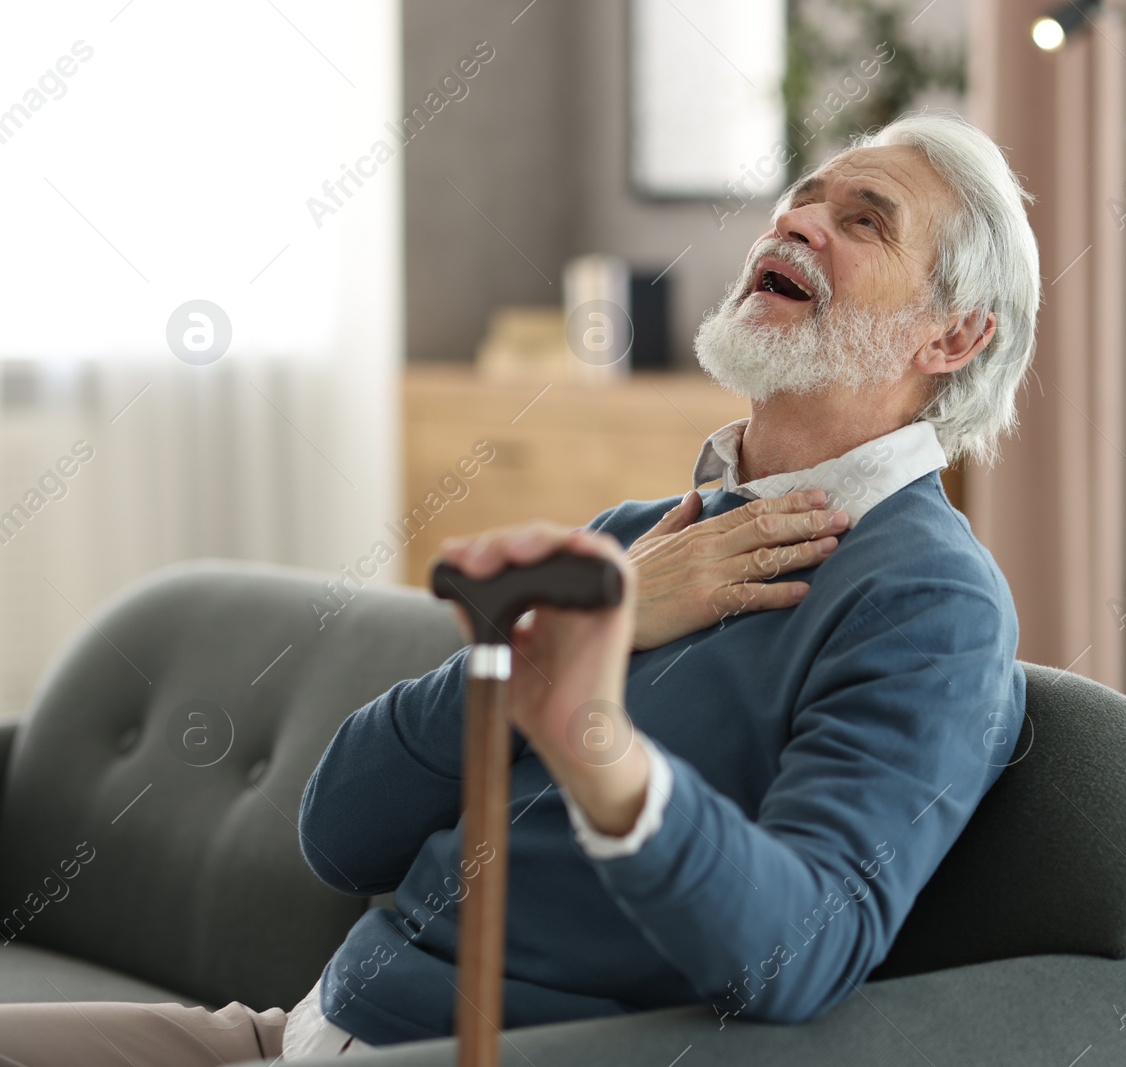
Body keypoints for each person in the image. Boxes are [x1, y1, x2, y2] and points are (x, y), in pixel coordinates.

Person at [0, 109, 1040, 1064]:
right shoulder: (633, 545)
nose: (800, 222)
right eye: (801, 198)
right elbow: (338, 830)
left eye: (862, 220)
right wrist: (582, 629)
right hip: (290, 1033)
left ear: (952, 337)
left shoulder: (928, 602)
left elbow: (800, 953)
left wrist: (598, 742)